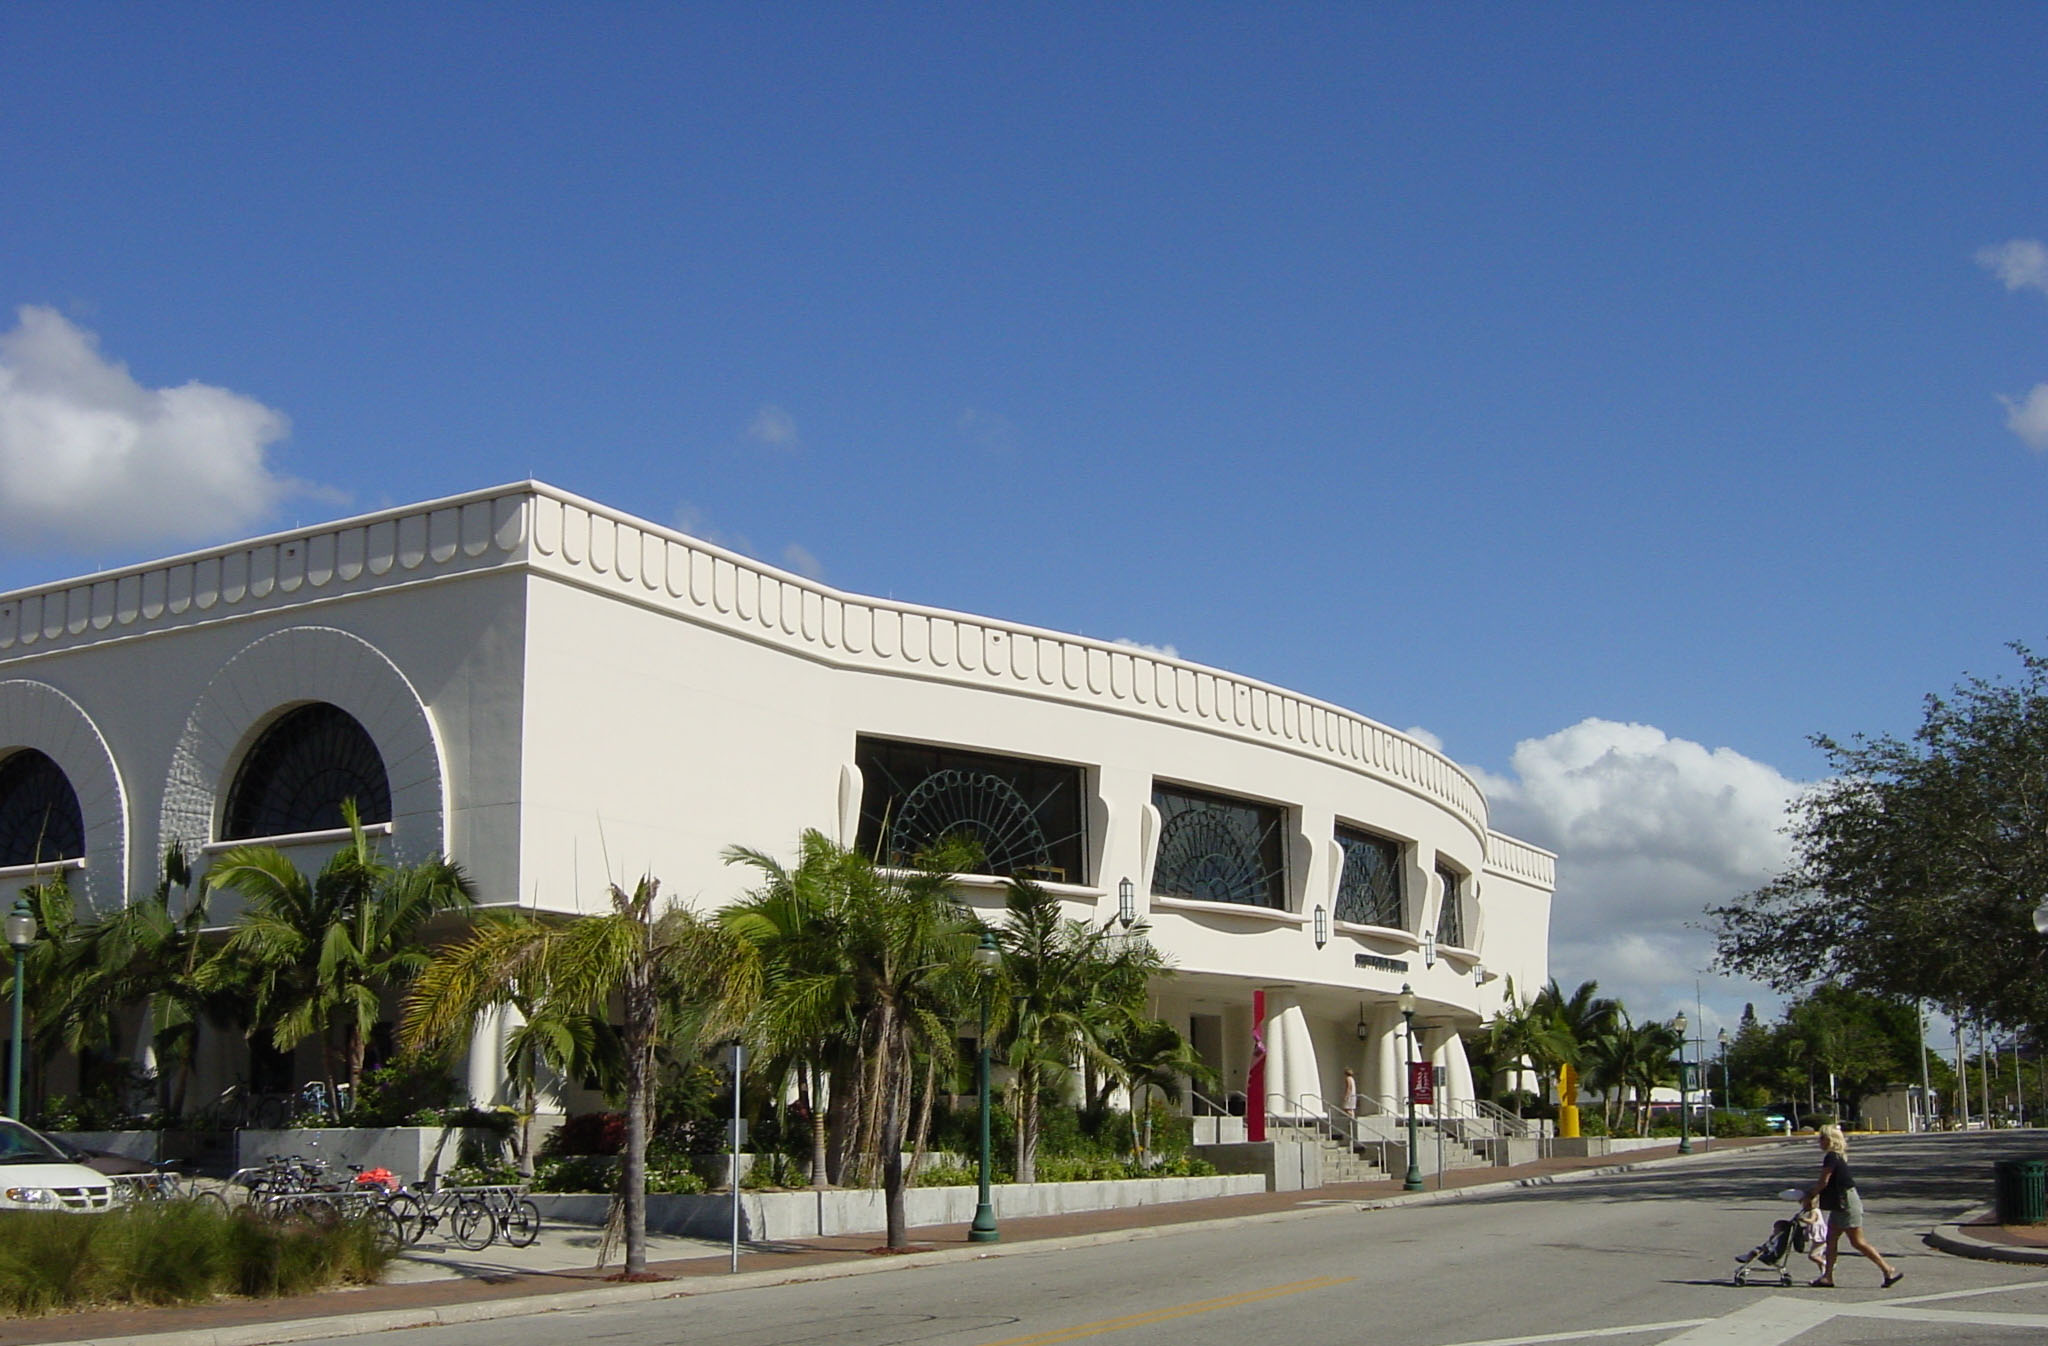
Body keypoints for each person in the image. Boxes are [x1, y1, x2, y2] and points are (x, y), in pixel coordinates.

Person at [1803, 1122, 1902, 1288]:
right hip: (1840, 1203)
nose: (1819, 1141)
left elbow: (1823, 1182)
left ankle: (1888, 1269)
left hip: (1846, 1202)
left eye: (1822, 1138)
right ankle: (1827, 1277)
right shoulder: (1836, 1156)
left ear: (1830, 1139)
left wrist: (1809, 1195)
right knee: (1831, 1239)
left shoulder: (1832, 1157)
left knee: (1857, 1242)